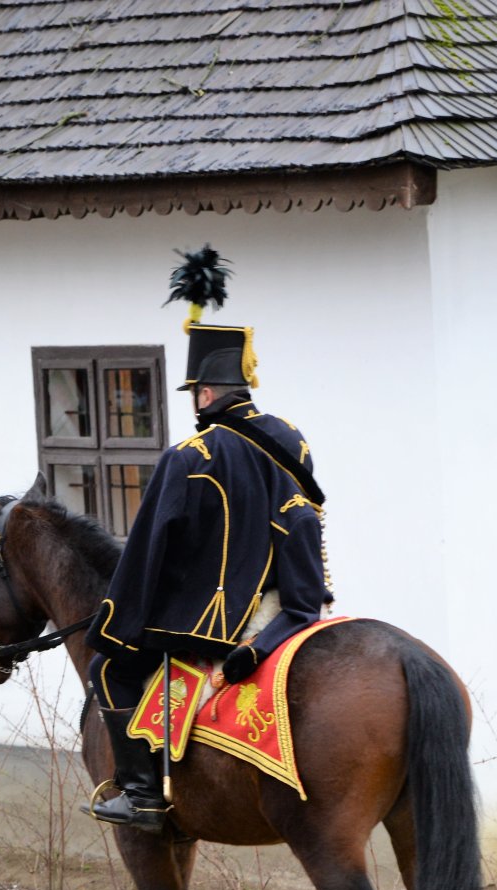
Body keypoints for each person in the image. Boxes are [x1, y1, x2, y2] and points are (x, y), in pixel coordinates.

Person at [85, 246, 332, 833]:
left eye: (194, 393)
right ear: (243, 386)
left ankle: (142, 795)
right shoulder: (290, 439)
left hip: (219, 622)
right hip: (288, 604)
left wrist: (118, 619)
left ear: (203, 394)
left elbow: (150, 553)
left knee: (108, 666)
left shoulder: (191, 456)